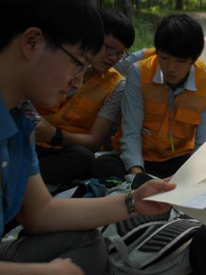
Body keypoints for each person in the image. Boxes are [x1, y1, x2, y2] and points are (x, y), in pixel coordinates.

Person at [0, 0, 175, 275]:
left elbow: (41, 211)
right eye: (77, 64)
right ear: (32, 42)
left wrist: (132, 202)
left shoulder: (21, 113)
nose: (77, 82)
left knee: (87, 245)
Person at [101, 14, 206, 184]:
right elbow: (131, 132)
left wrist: (190, 179)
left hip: (178, 160)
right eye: (164, 58)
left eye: (180, 60)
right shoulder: (139, 73)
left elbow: (203, 144)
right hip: (137, 159)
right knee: (104, 165)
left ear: (194, 59)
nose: (170, 68)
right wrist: (137, 175)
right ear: (157, 52)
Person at [34, 10, 135, 185]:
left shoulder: (117, 85)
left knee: (83, 158)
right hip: (28, 139)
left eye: (120, 53)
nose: (113, 57)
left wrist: (53, 135)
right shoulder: (60, 61)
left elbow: (95, 141)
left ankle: (19, 178)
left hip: (63, 150)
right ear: (93, 37)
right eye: (109, 48)